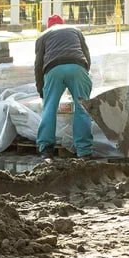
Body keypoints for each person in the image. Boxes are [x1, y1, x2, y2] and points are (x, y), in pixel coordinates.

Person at [34, 13, 94, 159]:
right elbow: (86, 55)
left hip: (53, 69)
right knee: (82, 107)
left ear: (49, 26)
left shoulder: (43, 36)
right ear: (63, 23)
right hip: (77, 66)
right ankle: (84, 151)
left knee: (49, 108)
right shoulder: (75, 30)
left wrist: (41, 91)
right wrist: (82, 75)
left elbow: (38, 66)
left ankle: (46, 150)